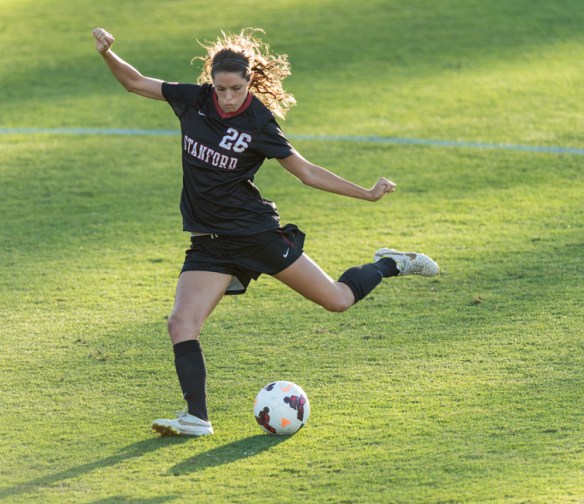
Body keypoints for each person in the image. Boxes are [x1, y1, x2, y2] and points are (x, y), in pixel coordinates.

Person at [91, 27, 439, 437]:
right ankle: (197, 418)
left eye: (235, 89)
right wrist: (108, 54)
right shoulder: (193, 100)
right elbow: (134, 82)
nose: (227, 98)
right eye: (220, 89)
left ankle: (391, 263)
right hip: (210, 244)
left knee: (338, 300)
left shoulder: (259, 122)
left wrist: (365, 194)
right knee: (181, 324)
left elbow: (306, 172)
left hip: (255, 235)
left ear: (249, 81)